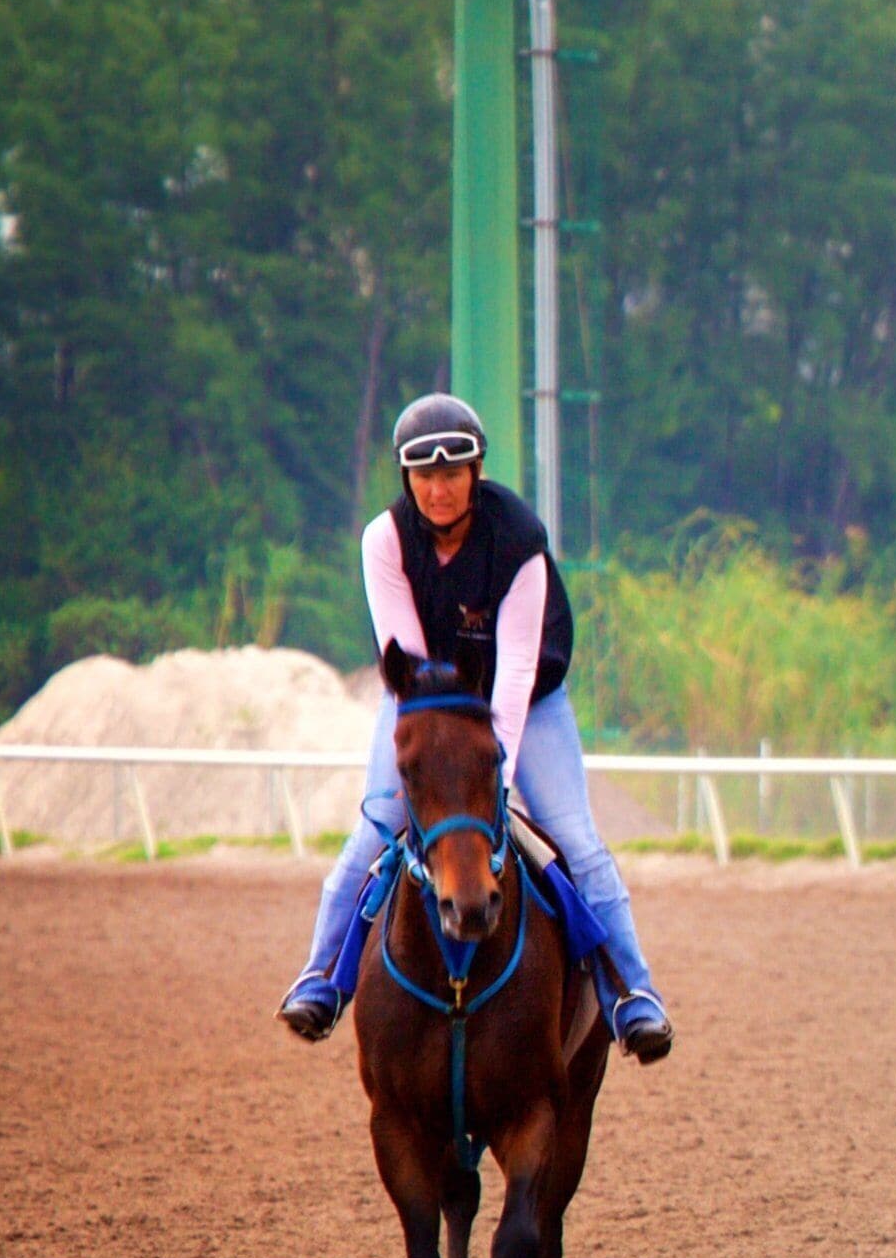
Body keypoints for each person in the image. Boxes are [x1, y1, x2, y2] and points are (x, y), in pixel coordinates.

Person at [277, 395, 673, 1060]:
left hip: (527, 702)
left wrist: (495, 776)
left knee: (575, 840)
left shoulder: (519, 540)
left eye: (453, 475)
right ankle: (322, 978)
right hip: (425, 700)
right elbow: (408, 660)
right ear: (407, 479)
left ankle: (632, 994)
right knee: (378, 825)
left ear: (476, 472)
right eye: (425, 477)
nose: (439, 490)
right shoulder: (384, 540)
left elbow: (514, 672)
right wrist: (443, 759)